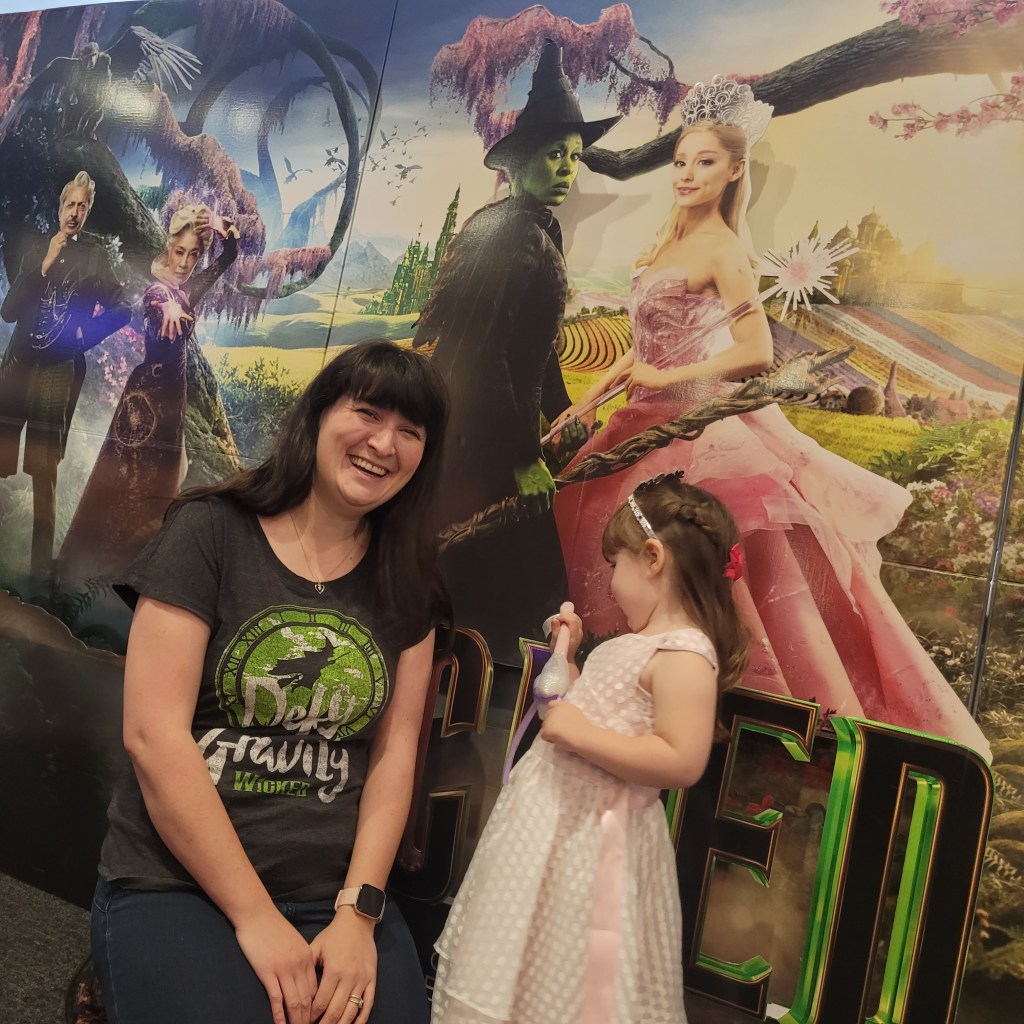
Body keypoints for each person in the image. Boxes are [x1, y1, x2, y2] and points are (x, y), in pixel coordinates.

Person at [552, 80, 990, 758]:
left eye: (704, 162)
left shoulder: (724, 248)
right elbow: (649, 343)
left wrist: (662, 379)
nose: (687, 175)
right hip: (639, 423)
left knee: (723, 587)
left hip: (697, 431)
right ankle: (622, 708)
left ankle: (729, 736)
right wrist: (602, 388)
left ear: (734, 171)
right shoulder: (666, 246)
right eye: (680, 162)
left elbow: (755, 352)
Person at [90, 340, 450, 1024]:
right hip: (183, 883)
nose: (384, 443)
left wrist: (359, 913)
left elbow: (395, 751)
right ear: (318, 415)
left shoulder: (410, 578)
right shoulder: (210, 532)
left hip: (333, 892)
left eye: (410, 431)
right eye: (368, 413)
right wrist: (255, 917)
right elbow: (152, 736)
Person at [431, 474, 746, 1023]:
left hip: (596, 852)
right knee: (524, 968)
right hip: (549, 837)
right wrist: (569, 657)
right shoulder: (632, 644)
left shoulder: (684, 654)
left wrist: (579, 733)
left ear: (653, 558)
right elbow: (584, 711)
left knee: (575, 987)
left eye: (615, 565)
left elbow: (681, 759)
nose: (611, 583)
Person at [413, 40, 619, 663]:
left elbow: (533, 347)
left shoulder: (533, 229)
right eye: (554, 154)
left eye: (574, 156)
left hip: (502, 449)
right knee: (494, 599)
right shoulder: (503, 231)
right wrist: (523, 457)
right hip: (480, 453)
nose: (567, 169)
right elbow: (480, 354)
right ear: (520, 161)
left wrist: (564, 413)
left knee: (508, 601)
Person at [59, 203, 239, 581]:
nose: (185, 262)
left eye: (193, 255)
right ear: (168, 248)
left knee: (168, 479)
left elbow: (226, 260)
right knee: (133, 484)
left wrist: (221, 229)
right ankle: (101, 570)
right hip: (148, 402)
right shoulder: (158, 292)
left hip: (171, 402)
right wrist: (165, 306)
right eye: (179, 252)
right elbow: (154, 303)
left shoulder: (187, 292)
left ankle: (128, 568)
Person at [0, 170, 131, 578]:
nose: (74, 212)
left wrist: (84, 335)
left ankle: (40, 574)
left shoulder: (94, 256)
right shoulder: (36, 247)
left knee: (44, 471)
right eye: (69, 204)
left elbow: (122, 308)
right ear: (59, 209)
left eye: (82, 206)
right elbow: (8, 311)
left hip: (58, 371)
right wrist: (43, 264)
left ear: (87, 212)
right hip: (18, 368)